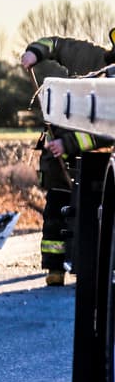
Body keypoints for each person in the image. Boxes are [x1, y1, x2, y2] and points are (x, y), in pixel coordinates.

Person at [20, 31, 115, 286]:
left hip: (97, 161)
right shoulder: (92, 58)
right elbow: (56, 44)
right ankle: (53, 268)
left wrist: (69, 144)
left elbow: (109, 133)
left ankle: (93, 266)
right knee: (56, 210)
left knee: (95, 216)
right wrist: (34, 53)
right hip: (62, 155)